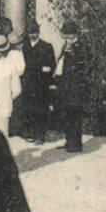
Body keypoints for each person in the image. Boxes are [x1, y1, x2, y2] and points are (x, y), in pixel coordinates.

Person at [17, 24, 56, 143]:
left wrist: (47, 70)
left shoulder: (46, 46)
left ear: (38, 33)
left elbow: (52, 64)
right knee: (28, 108)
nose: (32, 36)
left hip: (41, 83)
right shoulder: (25, 47)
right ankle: (30, 133)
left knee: (41, 109)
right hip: (28, 82)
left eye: (34, 33)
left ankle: (40, 135)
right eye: (30, 33)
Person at [55, 22, 85, 152]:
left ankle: (76, 144)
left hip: (75, 87)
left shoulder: (80, 46)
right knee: (67, 114)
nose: (66, 38)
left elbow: (82, 62)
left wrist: (71, 51)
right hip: (65, 85)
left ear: (73, 35)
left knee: (75, 115)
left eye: (68, 35)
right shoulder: (66, 46)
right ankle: (69, 141)